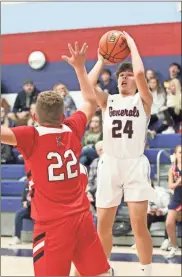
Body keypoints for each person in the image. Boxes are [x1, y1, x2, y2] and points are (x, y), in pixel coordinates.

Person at [1, 42, 111, 277]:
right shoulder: (72, 128)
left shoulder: (30, 136)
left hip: (52, 226)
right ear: (63, 115)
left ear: (33, 116)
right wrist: (80, 69)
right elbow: (90, 102)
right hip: (82, 219)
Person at [88, 31, 156, 276]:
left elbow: (140, 73)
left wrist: (132, 44)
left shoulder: (143, 100)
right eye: (121, 76)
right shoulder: (108, 101)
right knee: (102, 226)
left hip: (135, 165)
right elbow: (87, 83)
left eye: (128, 76)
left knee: (139, 225)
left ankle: (146, 272)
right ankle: (102, 270)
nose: (125, 78)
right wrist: (101, 60)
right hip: (110, 164)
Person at [166, 145, 182, 259]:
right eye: (180, 152)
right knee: (169, 223)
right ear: (175, 155)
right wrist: (178, 183)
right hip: (177, 197)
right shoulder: (172, 169)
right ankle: (174, 246)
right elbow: (171, 186)